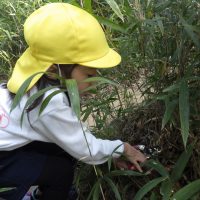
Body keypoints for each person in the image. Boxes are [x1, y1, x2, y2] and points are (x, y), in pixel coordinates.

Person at [0, 3, 146, 200]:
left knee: (62, 151)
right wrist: (122, 148)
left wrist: (112, 154)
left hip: (8, 140)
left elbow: (73, 138)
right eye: (88, 74)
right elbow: (86, 149)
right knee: (61, 172)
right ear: (53, 69)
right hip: (3, 158)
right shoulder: (49, 102)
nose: (95, 83)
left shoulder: (35, 72)